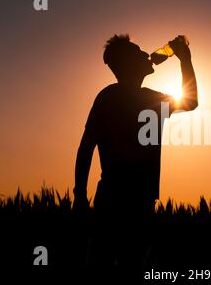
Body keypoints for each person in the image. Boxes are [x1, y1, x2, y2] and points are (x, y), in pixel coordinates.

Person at [72, 34, 198, 272]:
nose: (145, 54)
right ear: (128, 63)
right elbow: (86, 146)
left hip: (135, 200)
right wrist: (79, 195)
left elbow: (191, 102)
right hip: (119, 200)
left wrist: (185, 58)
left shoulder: (147, 98)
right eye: (138, 52)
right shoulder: (111, 98)